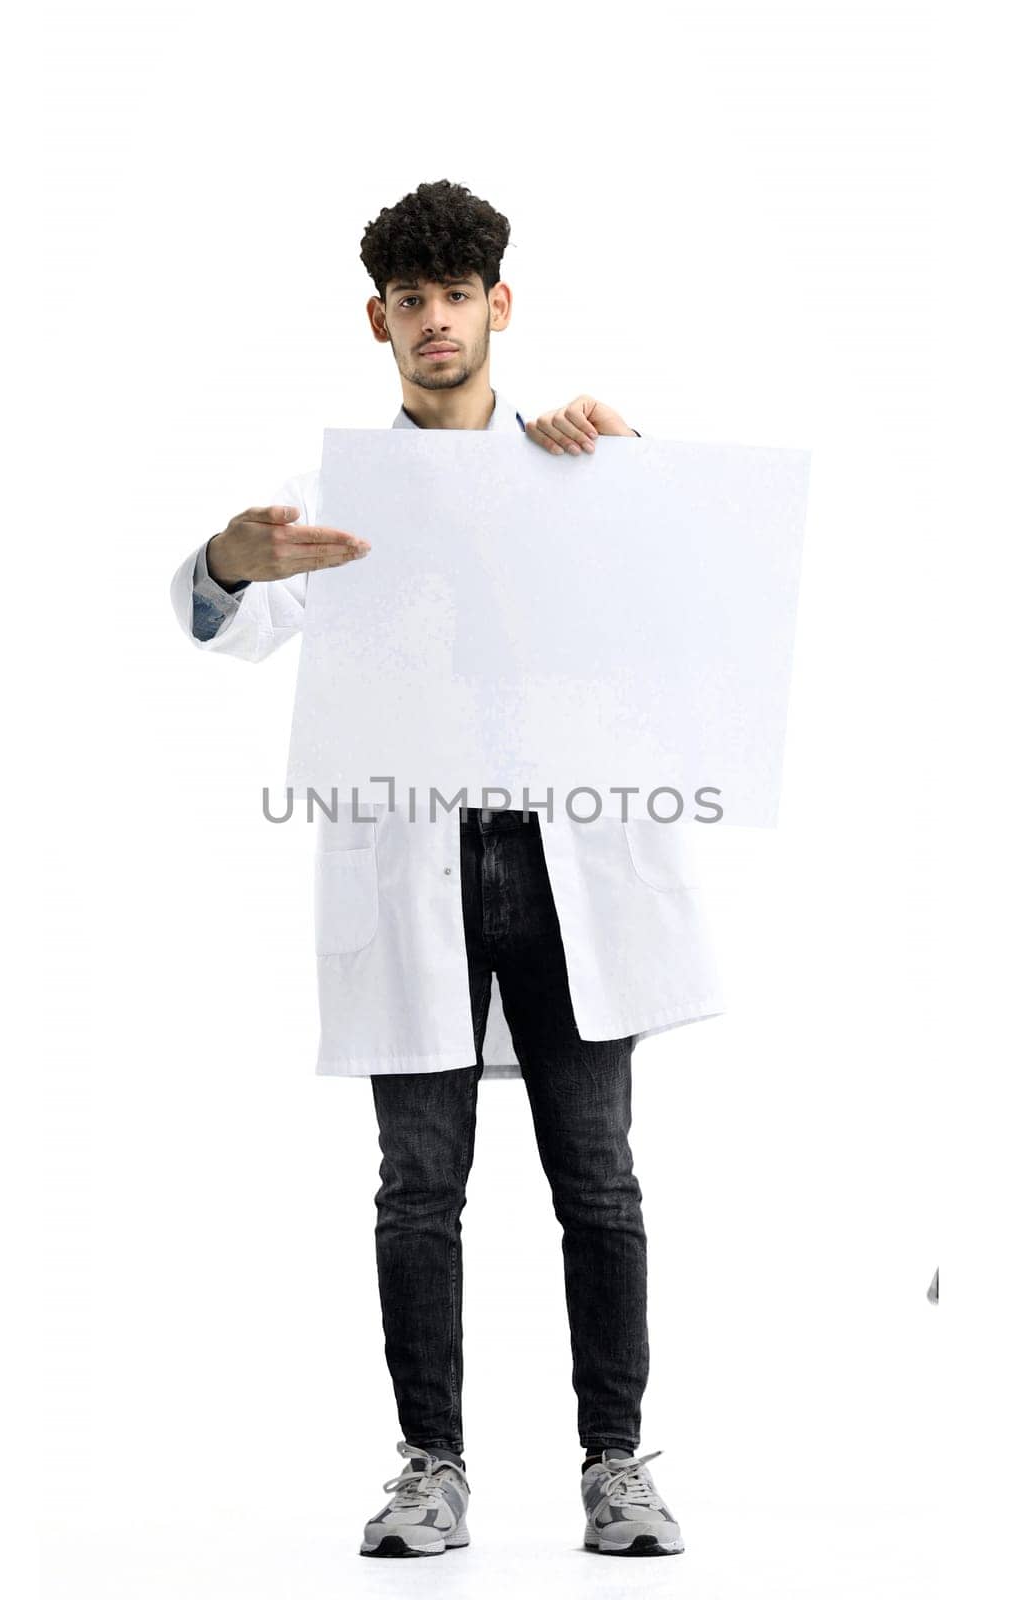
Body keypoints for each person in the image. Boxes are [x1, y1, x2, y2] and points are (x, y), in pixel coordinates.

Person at [170, 178, 724, 1558]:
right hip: (414, 867)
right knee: (419, 1184)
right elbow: (225, 621)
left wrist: (635, 457)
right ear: (379, 320)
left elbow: (695, 592)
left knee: (596, 1175)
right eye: (408, 301)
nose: (434, 321)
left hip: (565, 865)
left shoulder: (576, 462)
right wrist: (227, 568)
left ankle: (615, 1466)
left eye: (455, 295)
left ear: (499, 306)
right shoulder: (334, 495)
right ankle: (432, 1468)